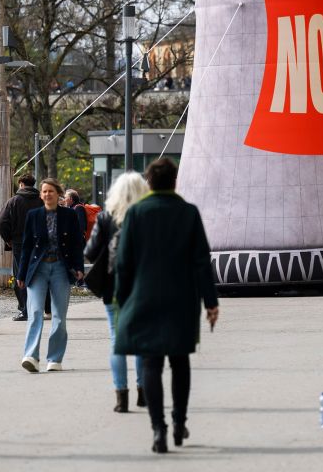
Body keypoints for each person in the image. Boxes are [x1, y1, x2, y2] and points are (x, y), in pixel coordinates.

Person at [113, 158, 219, 454]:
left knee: (151, 362)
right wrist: (210, 302)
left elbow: (123, 264)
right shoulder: (188, 213)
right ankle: (179, 423)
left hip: (143, 297)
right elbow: (201, 262)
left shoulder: (135, 213)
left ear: (149, 183)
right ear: (175, 182)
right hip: (182, 299)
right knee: (179, 361)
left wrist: (123, 301)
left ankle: (158, 429)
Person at [84, 171, 149, 413]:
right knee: (142, 341)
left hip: (113, 287)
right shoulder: (148, 216)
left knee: (116, 340)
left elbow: (90, 251)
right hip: (142, 287)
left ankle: (121, 396)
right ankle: (143, 391)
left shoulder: (105, 217)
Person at [17, 178, 85, 373]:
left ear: (58, 194)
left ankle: (55, 359)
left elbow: (76, 244)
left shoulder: (69, 216)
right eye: (44, 191)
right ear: (41, 195)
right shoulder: (33, 215)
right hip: (37, 269)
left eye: (51, 191)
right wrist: (21, 273)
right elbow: (27, 246)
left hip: (61, 269)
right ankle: (31, 356)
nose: (47, 194)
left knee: (59, 315)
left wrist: (79, 267)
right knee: (36, 311)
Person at [0, 174, 44, 321]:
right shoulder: (41, 201)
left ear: (21, 184)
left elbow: (1, 223)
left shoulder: (13, 201)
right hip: (40, 243)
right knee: (39, 275)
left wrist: (9, 239)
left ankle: (25, 310)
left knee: (20, 276)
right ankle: (40, 308)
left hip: (19, 243)